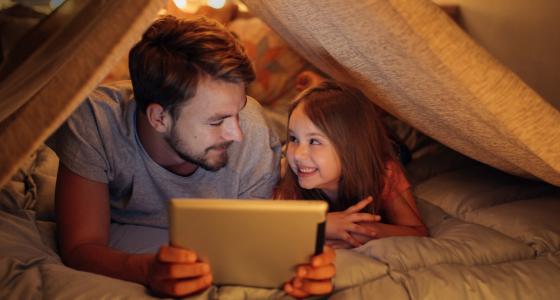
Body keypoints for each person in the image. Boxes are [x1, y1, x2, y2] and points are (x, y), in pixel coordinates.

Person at [48, 15, 334, 298]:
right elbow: (80, 247)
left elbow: (260, 245)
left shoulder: (254, 132)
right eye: (216, 121)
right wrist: (145, 270)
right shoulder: (95, 120)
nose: (236, 133)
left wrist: (299, 270)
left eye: (239, 109)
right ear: (159, 117)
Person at [275, 81, 428, 249]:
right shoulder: (287, 173)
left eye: (314, 141)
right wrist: (321, 225)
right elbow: (274, 226)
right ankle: (325, 95)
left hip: (380, 148)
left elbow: (418, 231)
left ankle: (338, 97)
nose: (297, 154)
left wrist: (368, 231)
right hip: (353, 144)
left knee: (396, 146)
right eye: (294, 139)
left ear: (348, 148)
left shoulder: (383, 173)